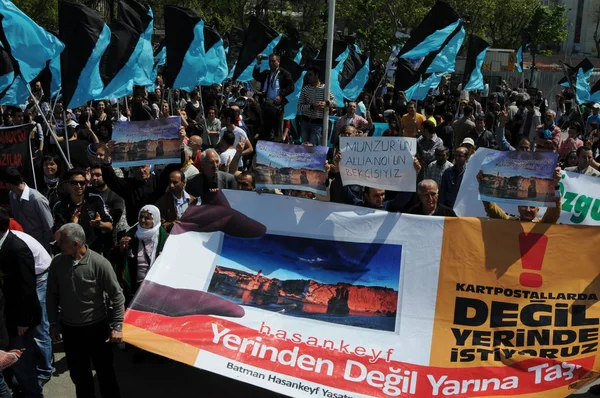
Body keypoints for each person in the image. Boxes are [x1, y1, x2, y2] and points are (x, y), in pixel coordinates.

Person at [47, 223, 124, 398]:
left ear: (75, 243)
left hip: (97, 329)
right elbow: (51, 295)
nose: (58, 245)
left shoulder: (99, 263)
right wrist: (53, 323)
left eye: (62, 242)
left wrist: (117, 326)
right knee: (79, 377)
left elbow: (117, 296)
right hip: (71, 331)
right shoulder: (57, 263)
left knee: (105, 374)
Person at [0, 208, 42, 398]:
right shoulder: (4, 245)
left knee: (23, 363)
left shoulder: (18, 249)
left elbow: (27, 289)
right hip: (6, 316)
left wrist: (23, 322)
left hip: (20, 321)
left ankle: (33, 394)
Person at [10, 230, 53, 385]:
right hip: (29, 276)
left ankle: (44, 370)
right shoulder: (9, 239)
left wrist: (25, 319)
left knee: (40, 325)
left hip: (39, 277)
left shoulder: (16, 244)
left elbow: (26, 285)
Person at [52, 168, 113, 254]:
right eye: (74, 183)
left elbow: (110, 226)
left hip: (94, 252)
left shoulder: (95, 200)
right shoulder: (60, 206)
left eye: (82, 183)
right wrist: (72, 226)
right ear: (68, 184)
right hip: (71, 253)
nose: (79, 186)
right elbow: (57, 236)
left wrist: (99, 224)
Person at [117, 206, 167, 300]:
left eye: (147, 218)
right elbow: (119, 259)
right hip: (136, 286)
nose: (142, 220)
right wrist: (121, 247)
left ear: (154, 220)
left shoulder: (162, 237)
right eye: (141, 217)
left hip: (155, 286)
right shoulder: (131, 235)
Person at [477, 168, 562, 223]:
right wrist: (483, 185)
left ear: (538, 210)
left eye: (532, 207)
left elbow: (553, 214)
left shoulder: (542, 225)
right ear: (518, 207)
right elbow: (492, 210)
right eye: (524, 206)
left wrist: (554, 187)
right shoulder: (509, 223)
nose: (528, 210)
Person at [3, 167, 54, 252]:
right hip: (22, 244)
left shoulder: (37, 199)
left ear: (8, 184)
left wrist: (45, 247)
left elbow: (49, 225)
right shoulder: (12, 195)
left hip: (39, 245)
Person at [253, 54, 294, 141]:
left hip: (277, 106)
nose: (271, 63)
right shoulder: (267, 73)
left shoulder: (284, 73)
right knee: (265, 129)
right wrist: (258, 63)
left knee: (277, 131)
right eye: (270, 61)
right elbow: (256, 76)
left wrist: (281, 95)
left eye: (273, 61)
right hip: (266, 104)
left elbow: (291, 87)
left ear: (278, 62)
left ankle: (276, 149)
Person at [298, 66, 336, 145]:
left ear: (317, 75)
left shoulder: (325, 88)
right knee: (304, 145)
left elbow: (334, 102)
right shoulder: (305, 89)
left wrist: (326, 103)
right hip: (305, 121)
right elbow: (299, 107)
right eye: (307, 75)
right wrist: (311, 106)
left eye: (310, 75)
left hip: (317, 123)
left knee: (313, 145)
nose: (308, 77)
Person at [89, 165, 125, 245]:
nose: (94, 178)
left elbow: (114, 219)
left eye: (98, 175)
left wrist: (100, 222)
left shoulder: (116, 194)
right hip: (91, 241)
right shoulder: (88, 193)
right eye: (92, 175)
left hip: (109, 241)